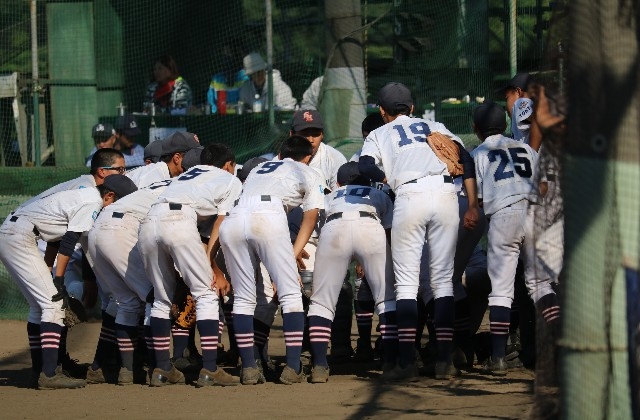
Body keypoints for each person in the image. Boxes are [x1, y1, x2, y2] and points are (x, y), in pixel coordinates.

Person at [359, 82, 480, 381]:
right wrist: (472, 204)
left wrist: (387, 178)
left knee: (406, 285)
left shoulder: (379, 133)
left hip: (409, 195)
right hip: (445, 195)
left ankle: (406, 363)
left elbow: (365, 165)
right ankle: (444, 361)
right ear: (412, 108)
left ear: (382, 111)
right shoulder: (434, 125)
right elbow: (465, 159)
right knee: (443, 282)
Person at [0, 174, 137, 389]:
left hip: (13, 233)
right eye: (119, 202)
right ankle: (49, 375)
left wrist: (49, 271)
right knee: (53, 305)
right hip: (20, 236)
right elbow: (69, 241)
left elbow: (55, 239)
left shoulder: (84, 196)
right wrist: (59, 279)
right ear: (109, 195)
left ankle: (38, 371)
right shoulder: (92, 202)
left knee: (39, 306)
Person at [86, 147, 203, 386]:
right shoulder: (191, 188)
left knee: (127, 301)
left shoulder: (167, 183)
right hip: (122, 229)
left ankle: (128, 371)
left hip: (98, 228)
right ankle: (160, 366)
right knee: (155, 298)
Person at [219, 135, 325, 385]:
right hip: (268, 215)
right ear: (307, 157)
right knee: (291, 294)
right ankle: (293, 367)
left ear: (281, 154)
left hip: (234, 218)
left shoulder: (260, 168)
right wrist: (293, 253)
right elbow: (310, 218)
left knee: (244, 298)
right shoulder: (308, 171)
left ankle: (249, 368)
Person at [138, 143, 242, 387]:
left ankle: (162, 369)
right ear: (229, 165)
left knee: (162, 299)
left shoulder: (188, 175)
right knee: (206, 294)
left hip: (149, 221)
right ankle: (210, 369)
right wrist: (211, 264)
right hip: (179, 219)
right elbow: (220, 224)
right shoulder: (231, 180)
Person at [470, 101, 559, 376]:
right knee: (540, 284)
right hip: (534, 213)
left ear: (476, 129)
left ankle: (498, 358)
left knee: (501, 289)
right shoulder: (526, 149)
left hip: (504, 217)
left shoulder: (478, 153)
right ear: (505, 124)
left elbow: (479, 200)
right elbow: (543, 187)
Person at [307, 162, 396, 383]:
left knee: (321, 302)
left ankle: (319, 365)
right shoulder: (377, 193)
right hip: (370, 226)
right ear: (368, 181)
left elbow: (317, 227)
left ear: (338, 184)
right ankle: (391, 362)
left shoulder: (330, 196)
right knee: (386, 299)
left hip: (334, 227)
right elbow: (389, 232)